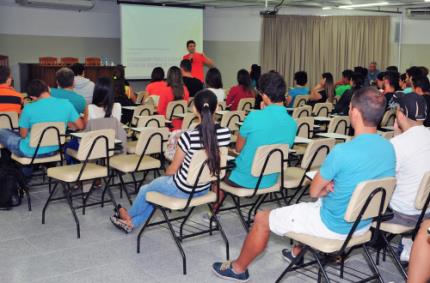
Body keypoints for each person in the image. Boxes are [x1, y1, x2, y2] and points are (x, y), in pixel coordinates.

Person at [212, 87, 395, 282]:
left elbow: (314, 191)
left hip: (332, 226)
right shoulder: (389, 147)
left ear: (355, 113)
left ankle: (238, 269)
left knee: (261, 218)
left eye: (350, 108)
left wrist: (325, 187)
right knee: (304, 207)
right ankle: (296, 252)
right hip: (362, 225)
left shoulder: (342, 151)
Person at [109, 90, 231, 233]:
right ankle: (131, 223)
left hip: (182, 188)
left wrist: (169, 169)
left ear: (194, 109)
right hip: (203, 188)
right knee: (154, 193)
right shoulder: (226, 133)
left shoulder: (188, 137)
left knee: (145, 190)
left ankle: (127, 216)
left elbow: (172, 170)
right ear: (217, 108)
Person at [225, 72, 297, 190]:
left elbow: (238, 149)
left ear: (264, 96)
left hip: (243, 179)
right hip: (270, 179)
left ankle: (216, 203)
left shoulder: (254, 117)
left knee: (215, 168)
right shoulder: (292, 123)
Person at [0, 79, 84, 158]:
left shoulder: (29, 108)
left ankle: (19, 169)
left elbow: (23, 135)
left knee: (3, 132)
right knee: (12, 133)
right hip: (54, 150)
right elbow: (80, 126)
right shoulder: (67, 104)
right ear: (48, 88)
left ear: (33, 97)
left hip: (30, 151)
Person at [157, 66, 190, 130]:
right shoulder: (185, 89)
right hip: (182, 125)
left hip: (167, 125)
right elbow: (186, 106)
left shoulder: (165, 90)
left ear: (168, 77)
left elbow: (160, 111)